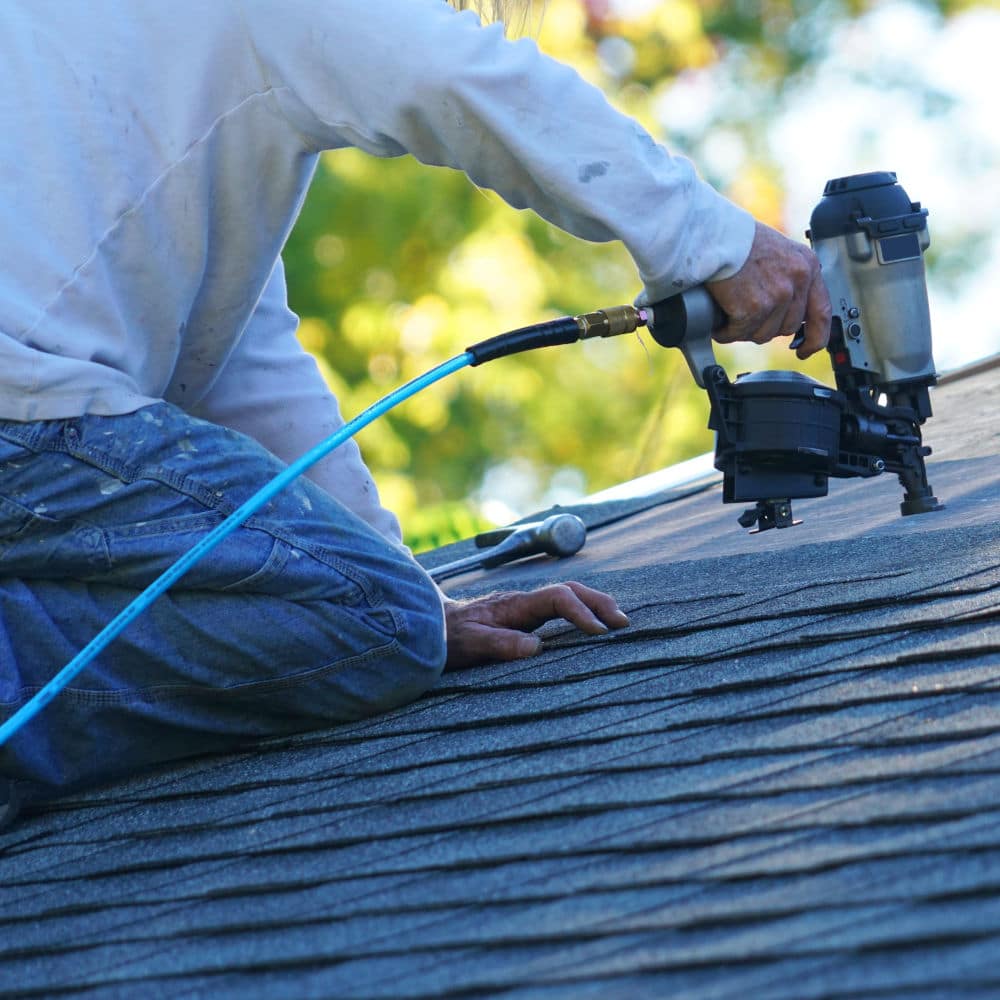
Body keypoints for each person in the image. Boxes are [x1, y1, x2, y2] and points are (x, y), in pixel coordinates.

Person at [0, 0, 830, 809]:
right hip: (23, 410)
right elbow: (450, 71)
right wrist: (714, 240)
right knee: (383, 627)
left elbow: (236, 361)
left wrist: (408, 589)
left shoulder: (163, 88)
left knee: (392, 615)